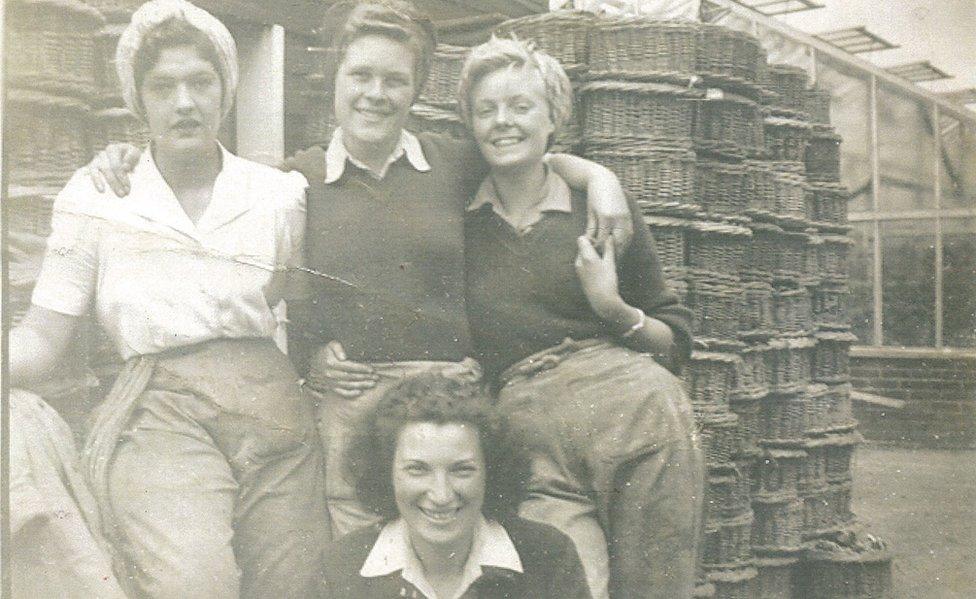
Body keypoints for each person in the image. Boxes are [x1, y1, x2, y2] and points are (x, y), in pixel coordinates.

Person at [88, 0, 635, 540]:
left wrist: (599, 179)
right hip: (352, 407)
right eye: (360, 75)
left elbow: (529, 160)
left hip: (448, 403)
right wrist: (313, 356)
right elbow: (269, 279)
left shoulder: (451, 163)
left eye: (394, 80)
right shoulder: (292, 181)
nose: (375, 94)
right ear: (335, 79)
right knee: (360, 561)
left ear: (417, 89)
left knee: (452, 554)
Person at [9, 1, 329, 596]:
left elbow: (307, 304)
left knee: (296, 586)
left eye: (201, 82)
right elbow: (42, 338)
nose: (184, 102)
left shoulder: (278, 195)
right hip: (160, 414)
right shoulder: (97, 198)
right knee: (195, 584)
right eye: (164, 86)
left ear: (226, 90)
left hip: (273, 413)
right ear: (139, 98)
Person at [457, 37, 705, 599]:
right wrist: (597, 171)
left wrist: (614, 309)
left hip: (635, 409)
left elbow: (675, 342)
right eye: (486, 109)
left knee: (656, 584)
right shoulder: (457, 213)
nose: (503, 122)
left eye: (521, 107)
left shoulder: (599, 212)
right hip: (529, 431)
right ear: (469, 124)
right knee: (568, 583)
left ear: (554, 117)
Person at [320, 372, 592, 598]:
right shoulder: (339, 568)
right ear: (385, 473)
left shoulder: (549, 556)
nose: (441, 494)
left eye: (462, 470)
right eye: (418, 469)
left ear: (491, 472)